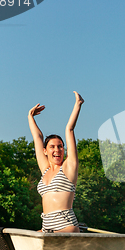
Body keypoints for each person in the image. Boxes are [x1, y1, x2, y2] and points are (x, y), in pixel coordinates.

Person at [28, 91, 84, 233]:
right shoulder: (45, 169)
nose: (57, 150)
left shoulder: (68, 168)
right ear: (45, 151)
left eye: (60, 146)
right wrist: (30, 117)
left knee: (45, 239)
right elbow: (37, 137)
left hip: (66, 228)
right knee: (31, 238)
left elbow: (69, 129)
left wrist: (78, 104)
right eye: (52, 147)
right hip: (46, 228)